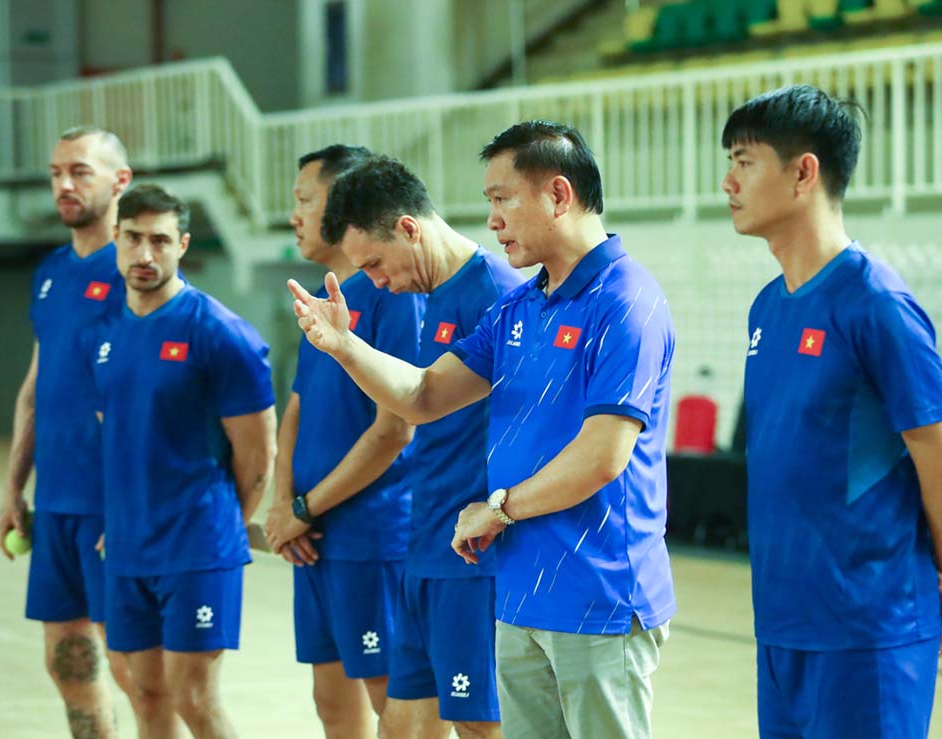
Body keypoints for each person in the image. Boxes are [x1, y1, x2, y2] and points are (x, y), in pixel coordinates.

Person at [288, 120, 676, 739]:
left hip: (597, 591)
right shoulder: (520, 307)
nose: (492, 220)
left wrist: (497, 509)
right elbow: (423, 395)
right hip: (519, 588)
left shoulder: (627, 301)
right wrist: (344, 347)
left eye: (502, 199)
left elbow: (604, 456)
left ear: (557, 194)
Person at [722, 84, 942, 739]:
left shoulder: (876, 303)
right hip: (784, 624)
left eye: (744, 160)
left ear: (803, 172)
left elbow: (938, 455)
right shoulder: (767, 308)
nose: (727, 179)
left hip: (867, 628)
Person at [319, 155, 526, 739]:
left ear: (409, 228)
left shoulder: (499, 293)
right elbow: (418, 401)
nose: (377, 282)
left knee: (481, 727)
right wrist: (343, 346)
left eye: (377, 264)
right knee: (401, 725)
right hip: (423, 548)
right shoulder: (432, 296)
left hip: (472, 558)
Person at [89, 183, 277, 739]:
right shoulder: (106, 333)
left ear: (182, 244)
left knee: (194, 697)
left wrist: (220, 525)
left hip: (196, 546)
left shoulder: (221, 335)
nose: (145, 254)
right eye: (133, 239)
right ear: (116, 241)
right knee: (145, 694)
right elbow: (116, 432)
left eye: (160, 240)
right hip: (127, 544)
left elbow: (257, 455)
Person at [263, 145, 424, 739]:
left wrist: (304, 509)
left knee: (396, 708)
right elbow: (296, 412)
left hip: (370, 536)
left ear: (345, 200)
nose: (295, 215)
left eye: (305, 200)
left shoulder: (394, 294)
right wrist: (283, 507)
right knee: (331, 703)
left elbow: (395, 428)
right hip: (313, 538)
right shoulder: (322, 303)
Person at [0, 125, 137, 739]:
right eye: (56, 172)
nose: (63, 184)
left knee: (139, 670)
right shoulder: (51, 272)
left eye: (80, 171)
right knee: (68, 661)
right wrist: (12, 487)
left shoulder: (140, 267)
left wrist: (131, 503)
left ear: (119, 181)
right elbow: (36, 385)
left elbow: (153, 401)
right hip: (54, 503)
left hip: (113, 506)